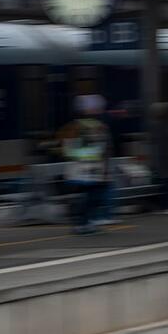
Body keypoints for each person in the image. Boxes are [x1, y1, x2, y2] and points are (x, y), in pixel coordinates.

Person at [62, 95, 111, 236]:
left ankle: (85, 222)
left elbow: (69, 150)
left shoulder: (77, 126)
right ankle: (83, 223)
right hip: (88, 170)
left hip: (85, 170)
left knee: (89, 198)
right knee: (88, 198)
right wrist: (94, 154)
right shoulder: (93, 127)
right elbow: (72, 149)